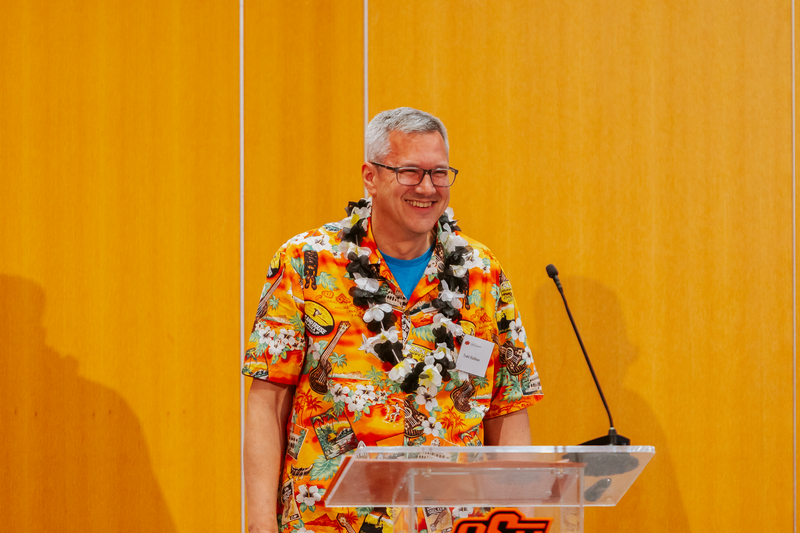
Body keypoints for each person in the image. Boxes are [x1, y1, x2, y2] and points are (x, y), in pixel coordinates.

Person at [243, 107, 543, 533]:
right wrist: (259, 527)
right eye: (409, 172)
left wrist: (518, 521)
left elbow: (507, 408)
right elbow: (267, 403)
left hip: (454, 523)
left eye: (439, 173)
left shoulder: (482, 273)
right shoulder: (306, 262)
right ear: (370, 176)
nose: (427, 188)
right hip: (329, 522)